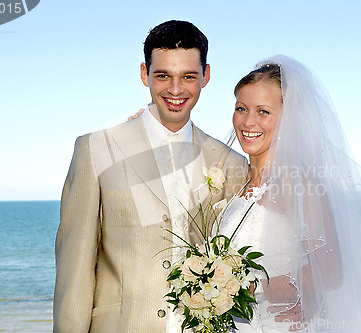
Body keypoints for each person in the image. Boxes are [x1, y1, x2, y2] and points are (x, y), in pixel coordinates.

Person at [53, 20, 247, 332]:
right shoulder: (96, 148)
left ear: (206, 76)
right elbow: (74, 268)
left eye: (188, 76)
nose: (175, 89)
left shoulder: (231, 163)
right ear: (145, 74)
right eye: (162, 76)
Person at [216, 55, 361, 332]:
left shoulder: (298, 181)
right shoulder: (238, 179)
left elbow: (330, 270)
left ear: (289, 118)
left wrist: (243, 286)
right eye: (241, 108)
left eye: (263, 112)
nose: (248, 122)